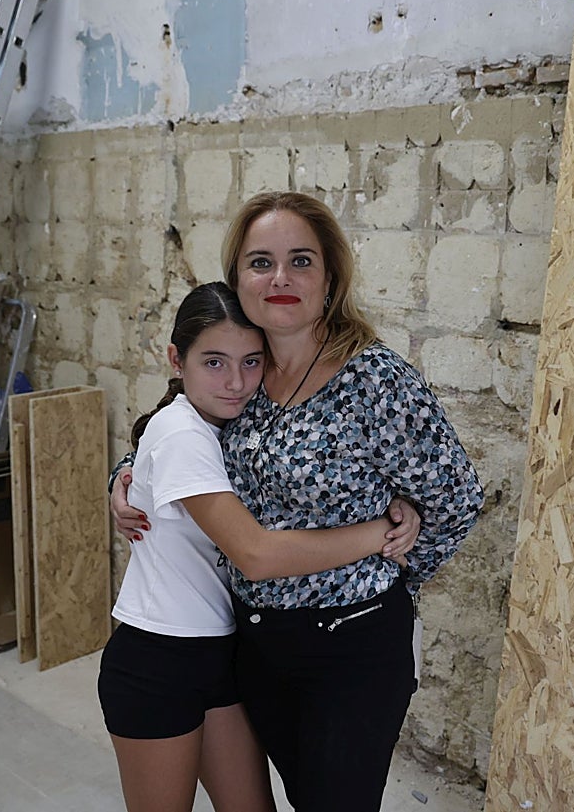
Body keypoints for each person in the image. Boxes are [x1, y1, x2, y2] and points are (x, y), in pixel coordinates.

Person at [110, 192, 485, 812]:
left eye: (301, 261)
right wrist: (124, 476)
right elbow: (178, 432)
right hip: (254, 646)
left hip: (351, 644)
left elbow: (458, 498)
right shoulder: (244, 375)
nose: (280, 277)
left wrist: (394, 569)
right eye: (261, 262)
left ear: (330, 278)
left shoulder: (375, 380)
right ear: (238, 279)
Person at [98, 281, 420, 812]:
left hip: (222, 652)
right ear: (177, 360)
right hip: (159, 658)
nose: (235, 382)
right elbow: (255, 555)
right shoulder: (181, 432)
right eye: (214, 363)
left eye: (251, 362)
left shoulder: (229, 424)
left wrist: (125, 472)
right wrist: (380, 531)